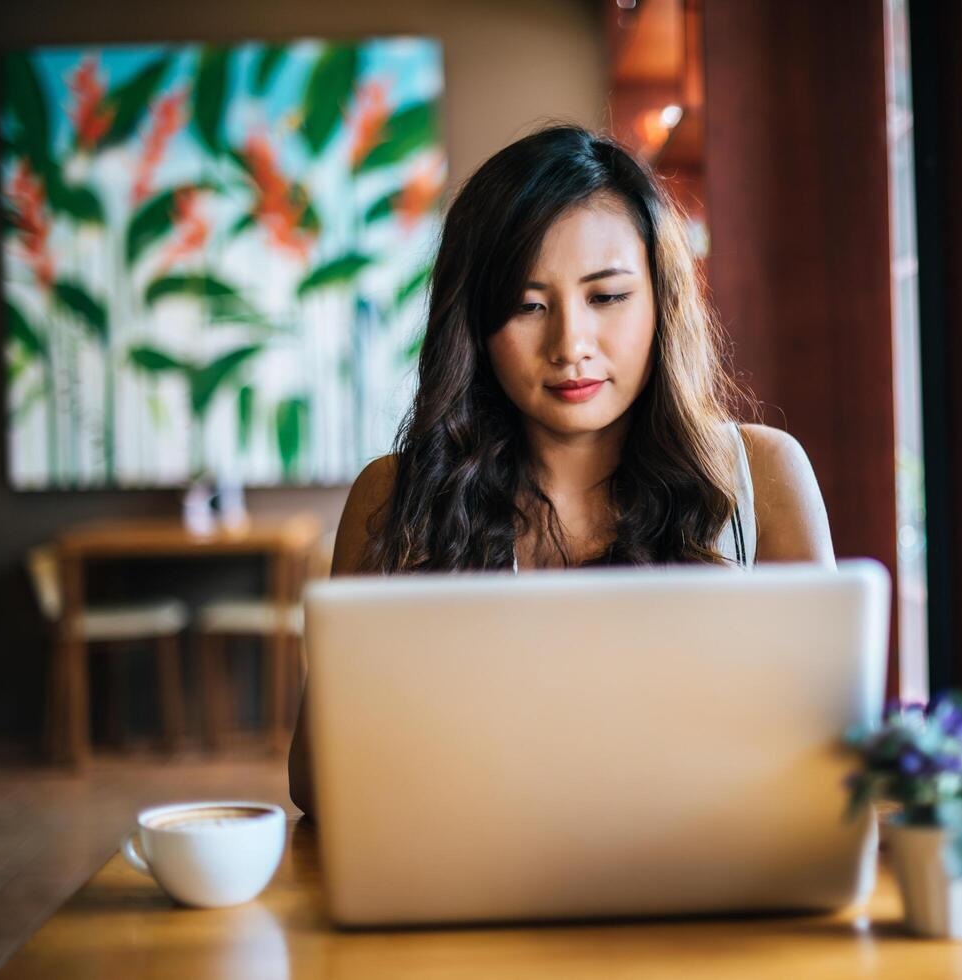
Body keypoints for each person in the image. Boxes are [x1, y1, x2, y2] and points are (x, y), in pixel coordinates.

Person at [288, 124, 833, 814]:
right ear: (474, 327)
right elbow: (315, 778)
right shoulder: (396, 496)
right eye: (526, 306)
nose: (570, 344)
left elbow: (827, 753)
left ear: (661, 301)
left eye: (606, 298)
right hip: (473, 887)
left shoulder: (764, 476)